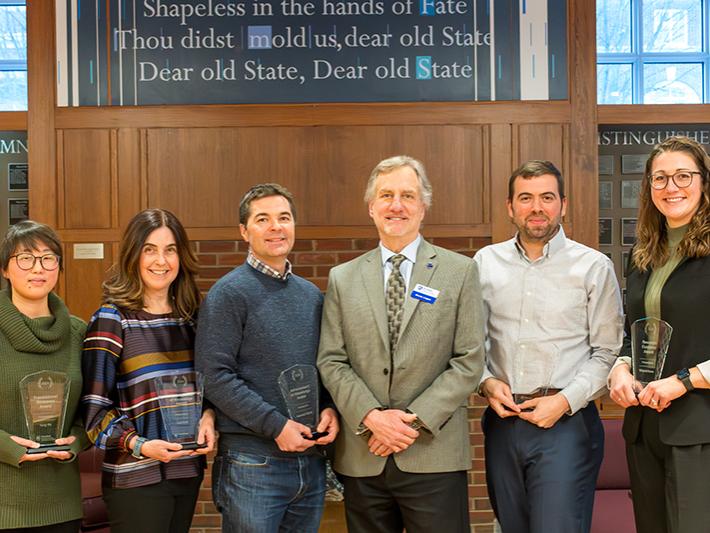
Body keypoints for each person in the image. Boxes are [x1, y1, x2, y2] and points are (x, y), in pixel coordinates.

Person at [317, 155, 485, 533]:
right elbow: (331, 360)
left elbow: (469, 360)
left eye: (408, 195)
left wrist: (411, 422)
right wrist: (372, 418)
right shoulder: (343, 278)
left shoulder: (459, 271)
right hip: (364, 455)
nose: (397, 205)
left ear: (423, 207)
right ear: (372, 207)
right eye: (387, 195)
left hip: (433, 453)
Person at [474, 160, 623, 533]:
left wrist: (563, 401)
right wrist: (485, 382)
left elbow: (607, 352)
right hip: (503, 423)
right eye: (525, 198)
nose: (536, 207)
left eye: (547, 197)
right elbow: (470, 344)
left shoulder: (593, 267)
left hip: (567, 423)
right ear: (510, 206)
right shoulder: (484, 263)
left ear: (563, 204)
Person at [195, 183, 339, 533]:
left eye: (284, 218)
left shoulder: (310, 295)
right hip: (253, 463)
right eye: (263, 219)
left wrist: (329, 407)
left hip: (309, 460)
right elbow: (214, 376)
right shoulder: (228, 294)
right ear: (244, 231)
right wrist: (276, 426)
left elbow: (326, 365)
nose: (276, 227)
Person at [81, 208, 215, 533]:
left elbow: (208, 387)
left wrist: (209, 417)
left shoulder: (191, 318)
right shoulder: (113, 319)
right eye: (150, 250)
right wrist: (140, 445)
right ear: (133, 255)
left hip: (187, 470)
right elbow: (94, 414)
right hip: (134, 477)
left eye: (170, 250)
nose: (161, 260)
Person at [609, 136, 710, 533]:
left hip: (700, 426)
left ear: (704, 182)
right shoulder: (645, 252)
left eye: (683, 176)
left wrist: (684, 382)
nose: (672, 188)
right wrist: (621, 367)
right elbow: (636, 331)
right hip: (645, 424)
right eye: (660, 178)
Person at [0, 221, 87, 532]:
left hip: (61, 503)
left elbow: (93, 411)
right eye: (25, 258)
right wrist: (8, 447)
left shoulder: (79, 333)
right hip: (4, 504)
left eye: (48, 258)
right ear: (5, 269)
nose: (38, 268)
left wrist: (77, 440)